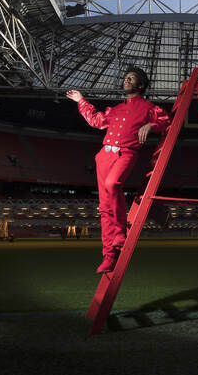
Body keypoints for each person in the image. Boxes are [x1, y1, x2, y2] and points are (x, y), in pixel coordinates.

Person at [67, 66, 170, 272]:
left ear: (140, 85)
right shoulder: (114, 110)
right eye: (125, 78)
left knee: (112, 184)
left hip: (126, 153)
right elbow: (96, 120)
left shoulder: (150, 108)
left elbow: (167, 120)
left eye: (130, 79)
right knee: (104, 208)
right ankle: (108, 256)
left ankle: (120, 232)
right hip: (104, 155)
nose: (126, 80)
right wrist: (81, 100)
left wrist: (150, 126)